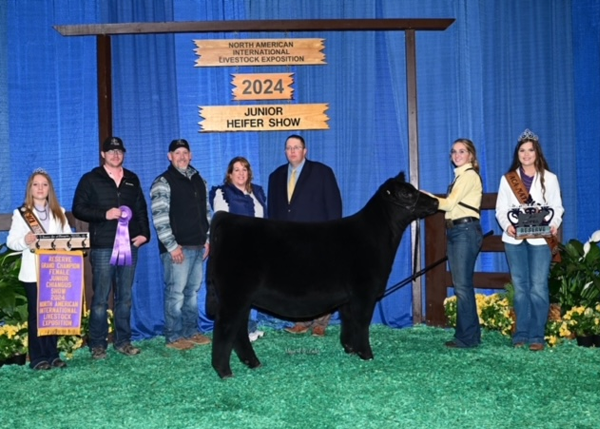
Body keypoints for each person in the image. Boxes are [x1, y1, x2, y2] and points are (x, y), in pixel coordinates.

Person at [72, 136, 150, 359]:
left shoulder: (132, 179)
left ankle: (123, 341)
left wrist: (145, 233)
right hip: (104, 245)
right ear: (103, 155)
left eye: (119, 151)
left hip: (130, 245)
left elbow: (141, 208)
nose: (116, 155)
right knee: (100, 298)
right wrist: (103, 215)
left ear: (123, 154)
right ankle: (98, 344)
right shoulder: (90, 179)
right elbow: (78, 208)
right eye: (111, 151)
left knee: (125, 297)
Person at [495, 129, 563, 351]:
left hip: (540, 239)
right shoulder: (508, 180)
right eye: (522, 150)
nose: (526, 154)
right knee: (521, 287)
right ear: (518, 153)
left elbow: (557, 207)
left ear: (537, 152)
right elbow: (501, 210)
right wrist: (508, 226)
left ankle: (537, 335)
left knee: (538, 287)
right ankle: (520, 333)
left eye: (530, 150)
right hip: (514, 240)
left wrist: (553, 223)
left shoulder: (550, 178)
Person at [268, 134, 342, 337]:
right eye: (288, 148)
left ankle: (320, 323)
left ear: (305, 151)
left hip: (318, 238)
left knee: (321, 282)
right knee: (296, 284)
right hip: (288, 242)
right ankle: (300, 320)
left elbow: (334, 206)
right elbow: (272, 211)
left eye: (296, 147)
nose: (292, 151)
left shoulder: (322, 172)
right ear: (285, 152)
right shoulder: (275, 176)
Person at [7, 169, 73, 370]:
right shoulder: (21, 214)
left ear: (49, 189)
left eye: (44, 184)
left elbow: (68, 237)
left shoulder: (59, 212)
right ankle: (37, 358)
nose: (40, 188)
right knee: (37, 315)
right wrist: (25, 241)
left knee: (52, 313)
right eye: (36, 184)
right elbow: (11, 242)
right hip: (33, 273)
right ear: (30, 188)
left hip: (55, 271)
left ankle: (53, 354)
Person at [150, 139, 211, 350]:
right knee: (175, 293)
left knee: (192, 292)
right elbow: (159, 217)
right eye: (177, 153)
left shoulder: (199, 179)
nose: (182, 156)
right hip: (177, 248)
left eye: (185, 152)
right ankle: (174, 336)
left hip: (198, 245)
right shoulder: (163, 182)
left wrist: (208, 240)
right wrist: (171, 245)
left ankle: (191, 331)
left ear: (190, 155)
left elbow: (207, 212)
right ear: (170, 156)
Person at [425, 138, 483, 348]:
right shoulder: (461, 177)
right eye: (453, 152)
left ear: (471, 155)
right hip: (459, 230)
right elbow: (450, 207)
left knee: (462, 286)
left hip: (464, 231)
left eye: (462, 151)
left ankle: (466, 338)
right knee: (463, 285)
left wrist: (426, 198)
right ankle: (470, 335)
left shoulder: (468, 176)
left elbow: (448, 204)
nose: (457, 155)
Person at [209, 156, 267, 342]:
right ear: (230, 174)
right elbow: (222, 223)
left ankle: (248, 327)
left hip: (257, 250)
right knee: (235, 292)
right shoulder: (222, 193)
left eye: (244, 169)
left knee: (250, 290)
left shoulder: (257, 192)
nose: (241, 173)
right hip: (234, 250)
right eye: (237, 170)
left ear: (249, 172)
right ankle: (233, 330)